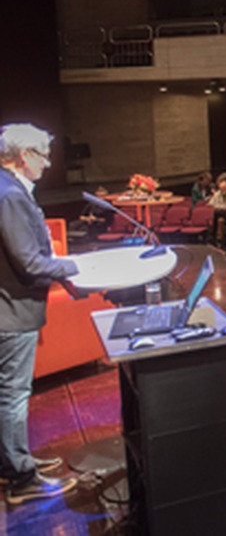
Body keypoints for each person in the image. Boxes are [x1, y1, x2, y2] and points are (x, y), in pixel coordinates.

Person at [0, 123, 79, 503]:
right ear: (23, 156)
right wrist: (75, 267)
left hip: (11, 311)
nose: (47, 164)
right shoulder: (9, 195)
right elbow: (30, 263)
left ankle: (14, 461)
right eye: (42, 156)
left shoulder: (9, 189)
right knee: (13, 396)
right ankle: (21, 479)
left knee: (8, 395)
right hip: (11, 313)